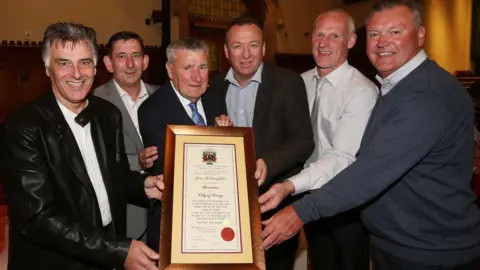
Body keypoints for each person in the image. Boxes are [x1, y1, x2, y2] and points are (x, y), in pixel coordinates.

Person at [261, 1, 480, 269]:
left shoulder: (426, 94)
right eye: (374, 34)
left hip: (431, 251)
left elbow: (370, 169)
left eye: (395, 32)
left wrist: (299, 211)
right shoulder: (396, 87)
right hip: (400, 242)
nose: (382, 42)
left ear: (421, 35)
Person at [0, 22, 164, 270]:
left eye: (85, 62)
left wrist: (143, 185)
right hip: (57, 261)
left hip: (108, 249)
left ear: (96, 67)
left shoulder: (109, 115)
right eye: (64, 63)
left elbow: (114, 177)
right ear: (47, 68)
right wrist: (117, 250)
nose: (76, 73)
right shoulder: (23, 128)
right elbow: (38, 218)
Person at [258, 9, 377, 270]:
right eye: (319, 35)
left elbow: (342, 157)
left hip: (345, 203)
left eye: (334, 36)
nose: (323, 43)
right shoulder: (297, 83)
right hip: (305, 197)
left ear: (351, 41)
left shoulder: (362, 91)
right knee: (320, 262)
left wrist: (289, 186)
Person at [208, 15, 314, 270]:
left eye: (253, 45)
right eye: (237, 46)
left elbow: (303, 141)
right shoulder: (212, 88)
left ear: (264, 48)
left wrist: (269, 162)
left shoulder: (288, 83)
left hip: (274, 202)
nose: (246, 54)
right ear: (225, 51)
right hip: (225, 203)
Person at [138, 37, 229, 252]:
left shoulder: (215, 98)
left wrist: (228, 137)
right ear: (171, 71)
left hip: (215, 217)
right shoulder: (151, 109)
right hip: (175, 222)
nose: (197, 77)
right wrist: (217, 140)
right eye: (187, 68)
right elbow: (176, 168)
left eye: (203, 67)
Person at [93, 31, 159, 241]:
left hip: (164, 214)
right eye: (122, 57)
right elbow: (93, 158)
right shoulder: (94, 102)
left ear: (145, 61)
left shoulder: (164, 96)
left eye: (136, 56)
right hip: (125, 217)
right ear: (109, 63)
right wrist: (137, 160)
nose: (130, 64)